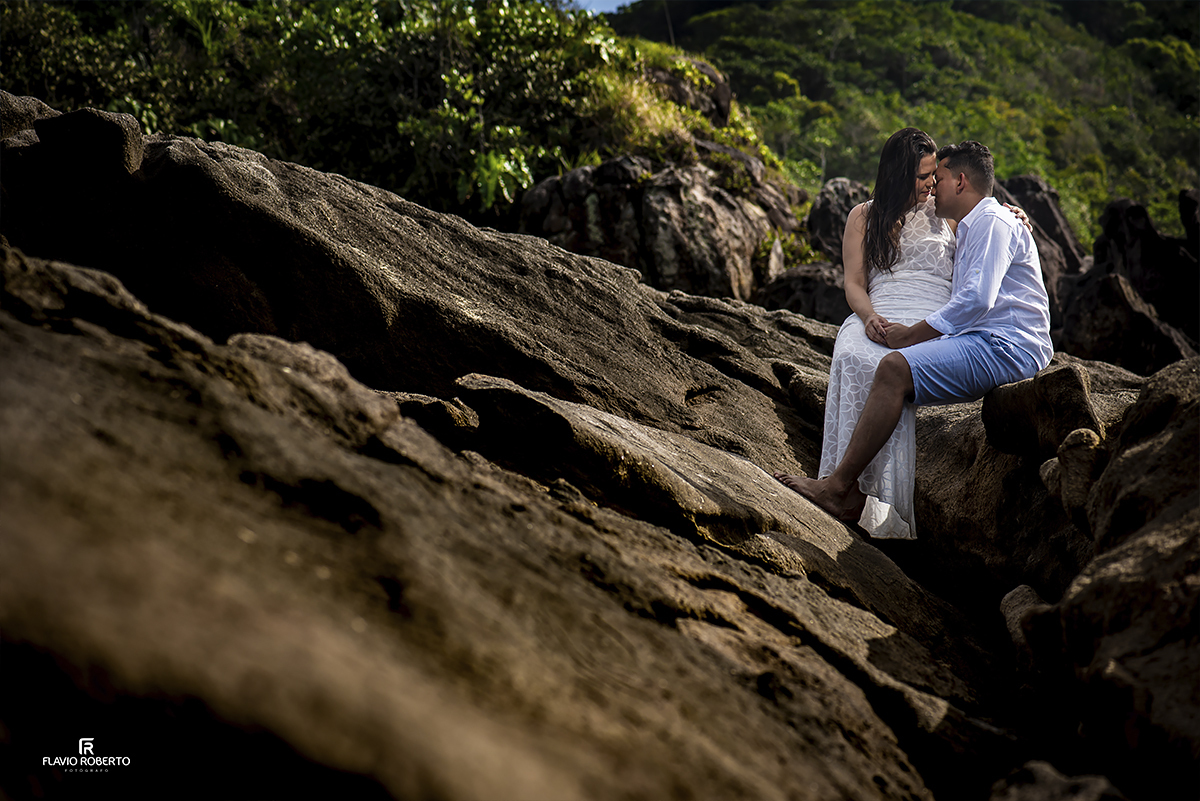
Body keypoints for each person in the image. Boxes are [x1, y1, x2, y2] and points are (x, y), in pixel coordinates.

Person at [775, 137, 1052, 537]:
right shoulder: (968, 219)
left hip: (997, 340)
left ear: (957, 181)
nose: (931, 185)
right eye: (925, 176)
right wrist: (871, 317)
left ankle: (840, 490)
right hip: (963, 329)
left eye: (936, 177)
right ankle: (846, 490)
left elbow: (975, 297)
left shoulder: (979, 220)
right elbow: (856, 282)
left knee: (892, 370)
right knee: (861, 359)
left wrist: (911, 335)